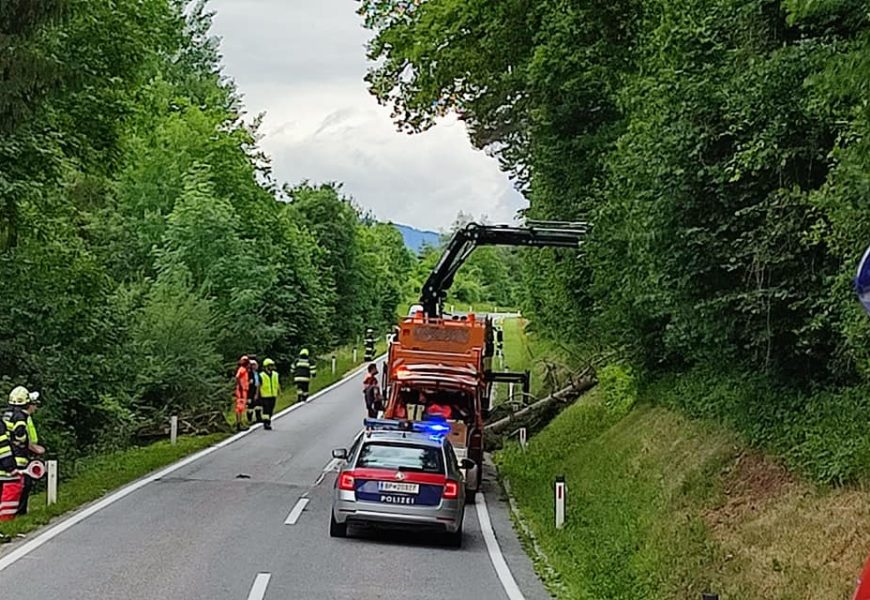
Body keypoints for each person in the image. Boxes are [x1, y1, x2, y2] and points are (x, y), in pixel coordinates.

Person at [0, 386, 43, 521]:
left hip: (7, 458)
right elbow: (19, 433)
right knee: (21, 486)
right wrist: (23, 442)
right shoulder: (20, 415)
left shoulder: (7, 414)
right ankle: (16, 516)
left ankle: (10, 518)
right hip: (16, 458)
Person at [18, 390, 43, 516]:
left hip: (26, 454)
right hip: (21, 455)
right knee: (24, 484)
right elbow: (21, 438)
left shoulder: (26, 418)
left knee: (26, 484)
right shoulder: (22, 419)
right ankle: (19, 513)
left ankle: (21, 513)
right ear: (30, 405)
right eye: (35, 404)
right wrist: (35, 448)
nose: (36, 407)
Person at [259, 358, 280, 430]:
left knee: (271, 409)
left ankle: (268, 420)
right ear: (266, 366)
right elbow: (259, 385)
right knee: (266, 409)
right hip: (265, 395)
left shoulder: (275, 374)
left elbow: (277, 383)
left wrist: (279, 391)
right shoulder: (261, 375)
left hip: (273, 394)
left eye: (272, 366)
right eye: (270, 366)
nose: (271, 367)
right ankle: (266, 423)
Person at [234, 356, 250, 432]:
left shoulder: (245, 370)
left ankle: (240, 423)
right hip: (241, 391)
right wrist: (239, 386)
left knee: (242, 407)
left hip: (244, 390)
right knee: (239, 407)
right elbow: (237, 377)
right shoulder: (242, 369)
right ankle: (239, 424)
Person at [246, 359, 261, 425]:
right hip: (251, 392)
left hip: (257, 390)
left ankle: (258, 417)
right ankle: (250, 419)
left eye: (254, 365)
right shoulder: (249, 374)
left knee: (258, 405)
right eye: (252, 365)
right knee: (250, 406)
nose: (253, 367)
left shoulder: (257, 373)